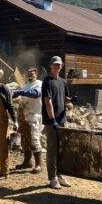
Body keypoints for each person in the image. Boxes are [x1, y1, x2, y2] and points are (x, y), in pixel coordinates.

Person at [42, 56, 72, 189]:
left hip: (62, 119)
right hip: (52, 121)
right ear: (50, 66)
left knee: (61, 149)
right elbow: (48, 102)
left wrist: (72, 100)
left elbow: (65, 99)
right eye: (55, 65)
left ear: (62, 66)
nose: (57, 67)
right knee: (52, 149)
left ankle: (60, 174)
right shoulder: (47, 82)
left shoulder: (62, 81)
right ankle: (52, 177)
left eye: (59, 65)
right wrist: (53, 120)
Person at [12, 67, 44, 173]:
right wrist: (15, 95)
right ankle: (27, 162)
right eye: (29, 72)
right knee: (25, 140)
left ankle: (38, 164)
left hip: (34, 115)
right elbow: (21, 98)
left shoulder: (40, 84)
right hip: (23, 116)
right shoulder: (25, 85)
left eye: (33, 72)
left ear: (36, 74)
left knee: (34, 139)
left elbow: (36, 94)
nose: (31, 74)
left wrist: (21, 92)